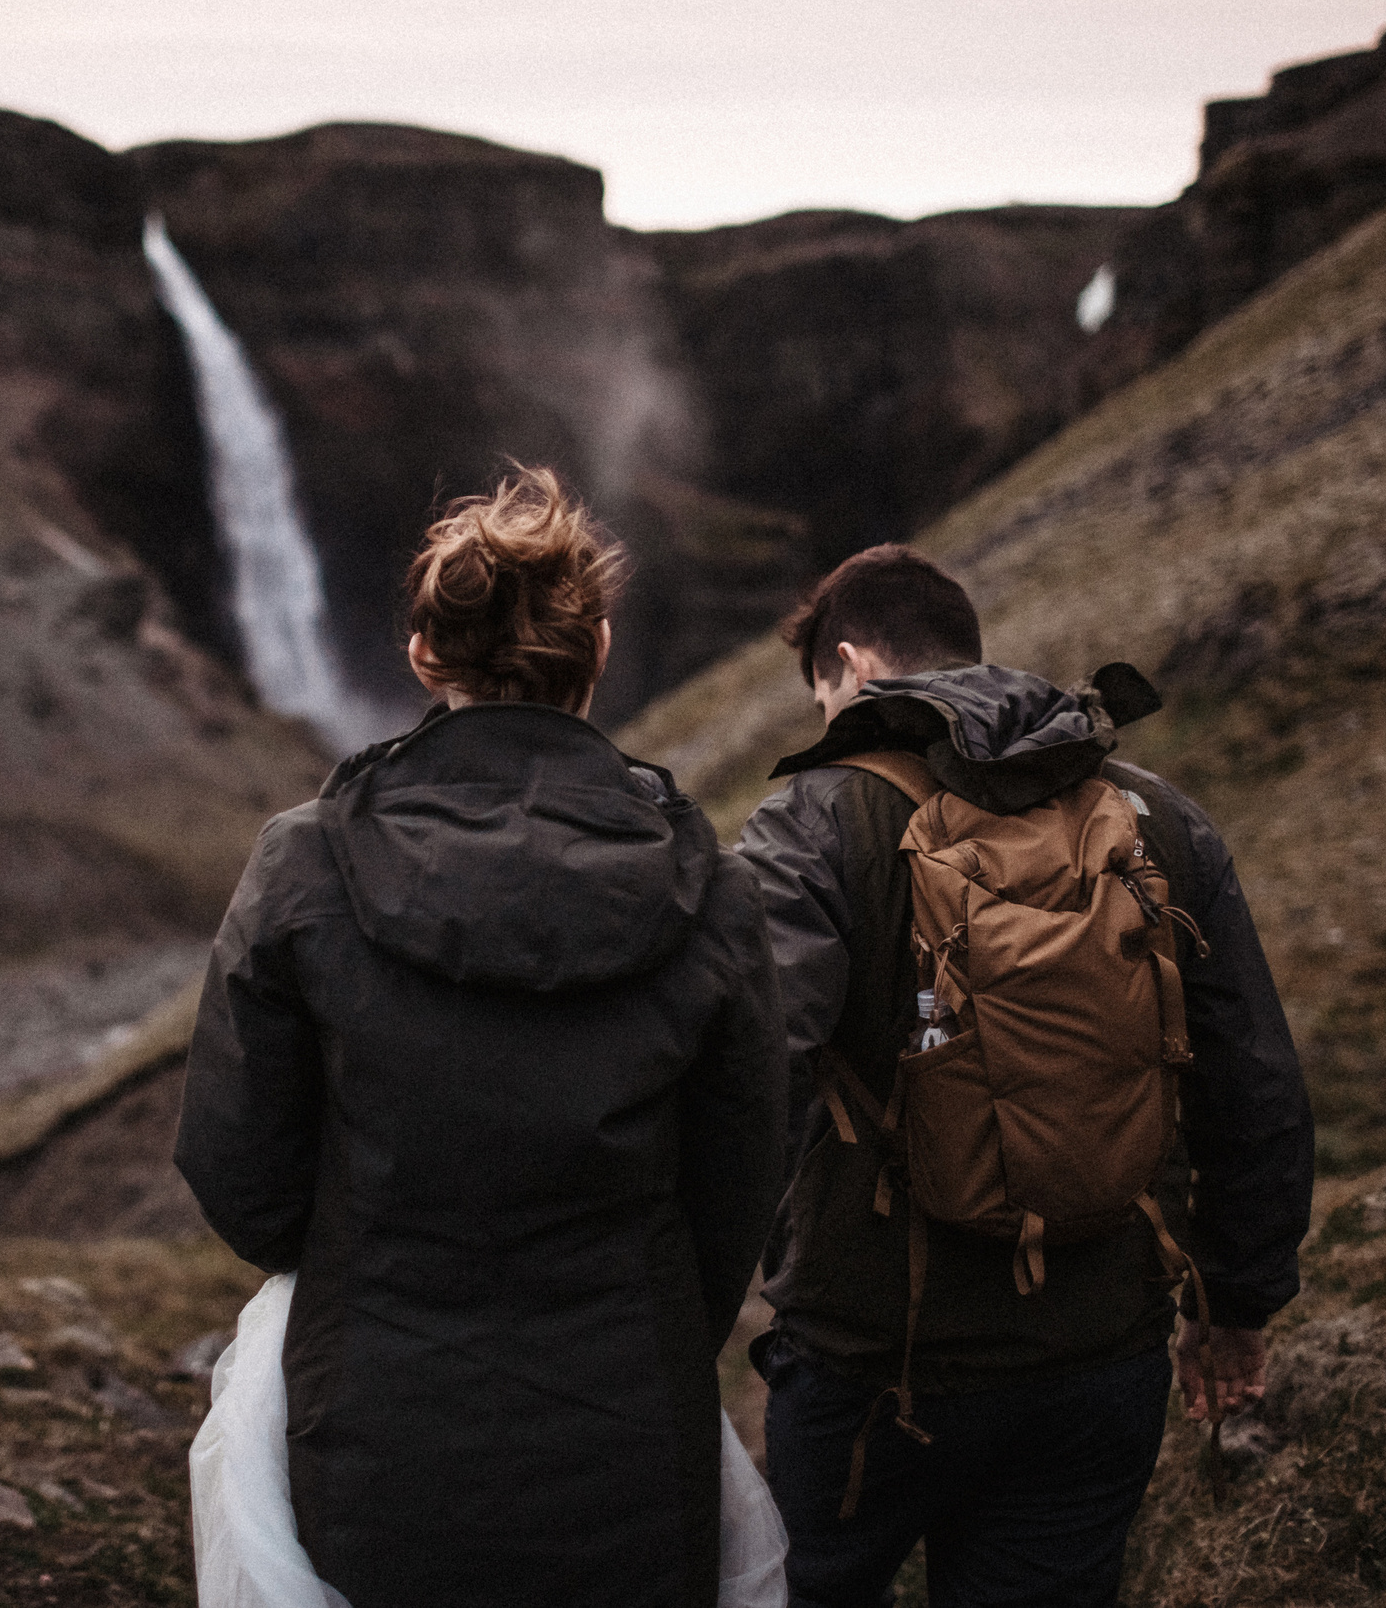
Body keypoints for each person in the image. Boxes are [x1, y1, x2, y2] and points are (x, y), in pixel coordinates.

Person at [175, 467, 789, 1608]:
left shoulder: (302, 863)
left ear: (422, 656)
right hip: (627, 1442)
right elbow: (741, 1180)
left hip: (373, 1426)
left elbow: (237, 1173)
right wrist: (643, 1326)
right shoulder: (708, 884)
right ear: (596, 651)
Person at [738, 543, 1314, 1608]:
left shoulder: (814, 822)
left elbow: (750, 1080)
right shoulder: (1157, 819)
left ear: (853, 668)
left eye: (821, 697)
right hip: (1100, 1356)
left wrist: (679, 1302)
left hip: (874, 1366)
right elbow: (1252, 1084)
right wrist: (1236, 1302)